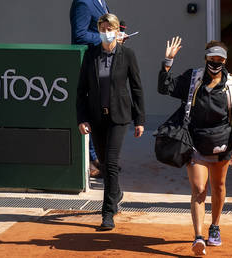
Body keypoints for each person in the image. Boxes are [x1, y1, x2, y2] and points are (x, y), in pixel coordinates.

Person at [158, 37, 232, 256]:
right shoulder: (193, 78)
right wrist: (167, 61)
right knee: (199, 189)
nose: (215, 63)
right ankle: (198, 237)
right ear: (205, 58)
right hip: (195, 143)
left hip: (222, 144)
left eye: (219, 59)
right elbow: (165, 87)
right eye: (211, 58)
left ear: (225, 61)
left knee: (218, 187)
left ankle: (214, 226)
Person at [76, 13, 145, 230]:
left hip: (120, 117)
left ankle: (108, 213)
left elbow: (136, 88)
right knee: (105, 165)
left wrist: (140, 119)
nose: (106, 33)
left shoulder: (127, 55)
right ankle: (115, 193)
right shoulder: (91, 55)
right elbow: (81, 91)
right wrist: (82, 118)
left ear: (117, 31)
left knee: (112, 162)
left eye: (110, 29)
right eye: (102, 29)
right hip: (97, 117)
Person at [70, 0, 110, 177]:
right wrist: (106, 38)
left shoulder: (101, 2)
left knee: (100, 111)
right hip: (88, 64)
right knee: (91, 112)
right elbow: (80, 35)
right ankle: (92, 161)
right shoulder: (83, 3)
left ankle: (99, 159)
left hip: (101, 62)